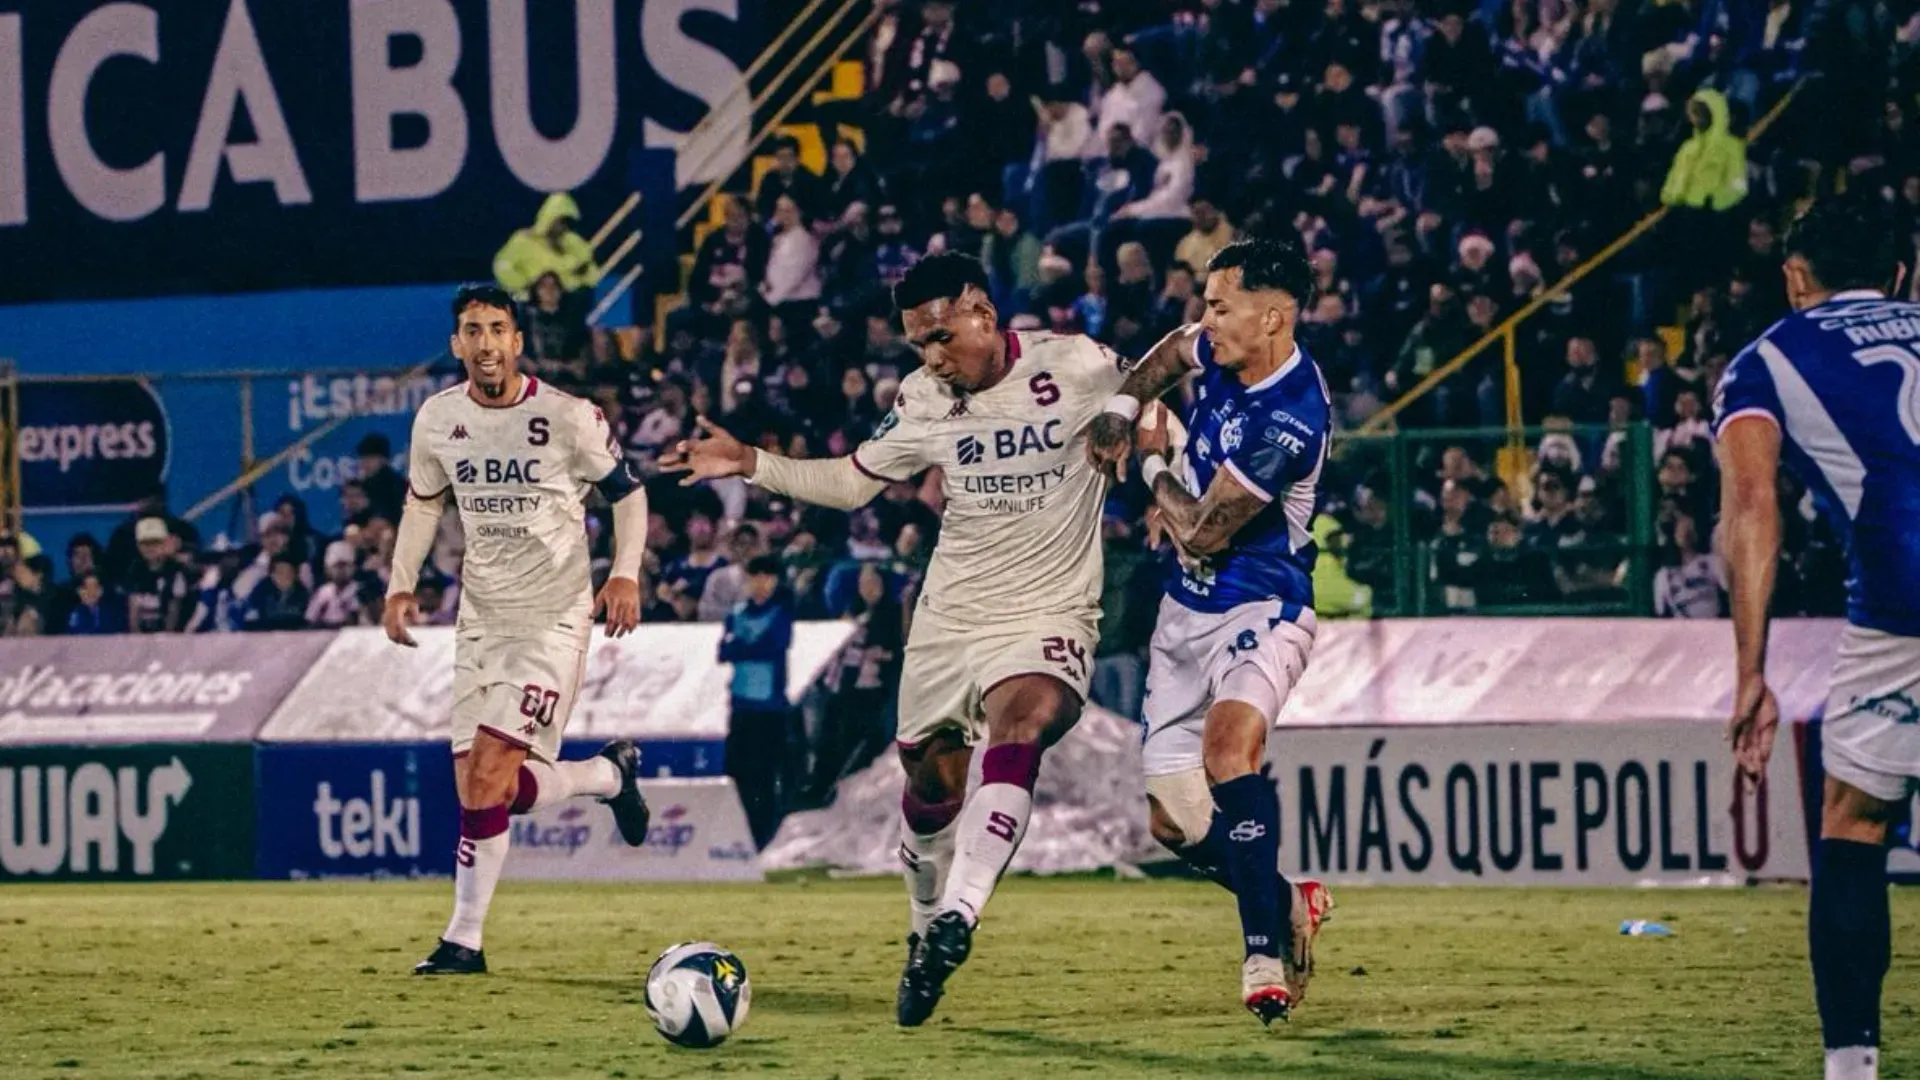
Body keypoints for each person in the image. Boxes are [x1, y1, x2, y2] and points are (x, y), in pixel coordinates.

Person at [663, 252, 1175, 1027]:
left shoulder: (1077, 364)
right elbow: (852, 482)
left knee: (1022, 726)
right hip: (950, 618)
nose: (933, 358)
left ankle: (960, 918)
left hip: (1049, 607)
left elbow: (1153, 395)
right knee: (930, 787)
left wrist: (1158, 470)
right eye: (918, 346)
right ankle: (924, 927)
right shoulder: (923, 398)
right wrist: (749, 464)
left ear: (982, 309)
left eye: (941, 337)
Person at [1087, 238, 1333, 1026]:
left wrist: (1154, 463)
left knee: (1230, 751)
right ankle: (1289, 900)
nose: (1207, 321)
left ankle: (1262, 954)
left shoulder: (1291, 418)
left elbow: (1201, 533)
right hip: (1182, 618)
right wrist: (1123, 409)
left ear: (1273, 317)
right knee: (1172, 824)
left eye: (1220, 307)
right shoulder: (1230, 350)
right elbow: (1166, 354)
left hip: (1263, 609)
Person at [384, 284, 653, 976]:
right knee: (485, 791)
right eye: (471, 331)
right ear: (456, 345)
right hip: (479, 623)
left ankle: (462, 941)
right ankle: (606, 776)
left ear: (517, 341)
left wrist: (624, 574)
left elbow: (628, 493)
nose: (484, 343)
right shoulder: (438, 420)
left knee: (491, 771)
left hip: (551, 621)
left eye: (496, 329)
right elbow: (422, 506)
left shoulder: (567, 417)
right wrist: (400, 583)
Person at [1715, 197, 1920, 1080]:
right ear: (1902, 273)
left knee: (1854, 819)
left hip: (1902, 597)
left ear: (1796, 278)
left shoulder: (1765, 361)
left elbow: (1752, 508)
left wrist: (1751, 671)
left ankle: (1851, 1066)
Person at [718, 555, 797, 849]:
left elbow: (769, 646)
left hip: (769, 710)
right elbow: (724, 651)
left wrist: (742, 646)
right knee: (736, 773)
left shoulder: (781, 613)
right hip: (741, 707)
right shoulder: (737, 613)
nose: (761, 584)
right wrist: (746, 647)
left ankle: (764, 838)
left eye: (767, 577)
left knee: (764, 777)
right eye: (756, 577)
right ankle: (740, 834)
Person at [493, 193, 600, 300]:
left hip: (567, 303)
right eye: (560, 222)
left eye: (567, 223)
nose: (563, 227)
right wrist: (526, 286)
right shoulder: (523, 240)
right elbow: (501, 266)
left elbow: (591, 273)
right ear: (549, 219)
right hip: (530, 304)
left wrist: (584, 274)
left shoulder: (574, 242)